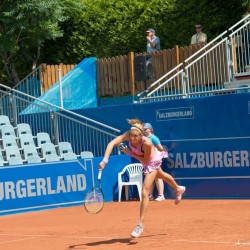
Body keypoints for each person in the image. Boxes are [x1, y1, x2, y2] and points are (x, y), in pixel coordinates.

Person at [98, 118, 186, 238]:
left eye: (135, 136)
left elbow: (145, 160)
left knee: (145, 192)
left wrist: (130, 153)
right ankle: (178, 188)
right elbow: (111, 143)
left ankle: (140, 225)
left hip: (151, 161)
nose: (132, 138)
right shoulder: (128, 135)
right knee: (162, 175)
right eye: (131, 136)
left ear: (141, 135)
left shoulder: (147, 143)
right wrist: (105, 160)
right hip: (144, 160)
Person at [144, 123, 166, 202]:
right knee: (149, 178)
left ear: (150, 129)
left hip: (155, 160)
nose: (144, 130)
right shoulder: (145, 138)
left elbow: (160, 148)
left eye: (146, 129)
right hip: (148, 161)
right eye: (144, 129)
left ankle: (161, 195)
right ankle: (150, 195)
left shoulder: (153, 138)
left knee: (158, 177)